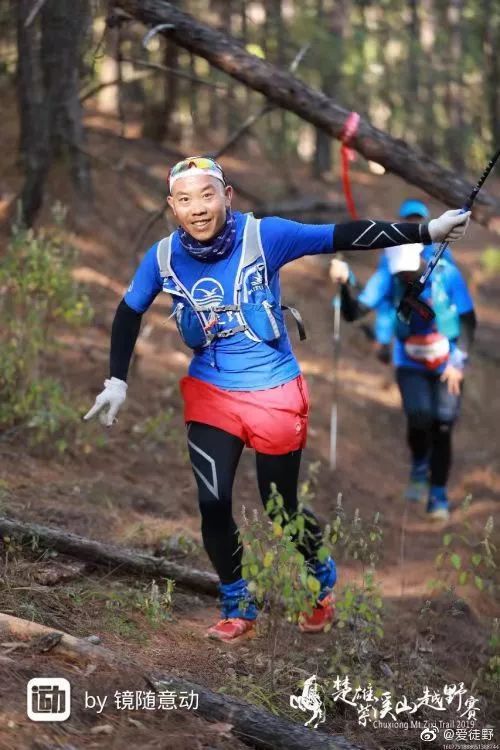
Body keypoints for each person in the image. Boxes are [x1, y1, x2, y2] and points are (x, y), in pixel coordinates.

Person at [84, 157, 470, 640]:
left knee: (279, 505)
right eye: (185, 200)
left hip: (274, 391)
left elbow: (340, 234)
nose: (197, 209)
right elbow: (128, 311)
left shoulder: (265, 236)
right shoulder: (162, 258)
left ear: (228, 197)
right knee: (213, 502)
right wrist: (116, 380)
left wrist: (427, 231)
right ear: (172, 207)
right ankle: (236, 604)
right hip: (211, 393)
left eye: (207, 195)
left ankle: (322, 577)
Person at [329, 199, 476, 520]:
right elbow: (355, 311)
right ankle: (419, 465)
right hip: (409, 360)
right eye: (400, 274)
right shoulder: (389, 275)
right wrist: (344, 285)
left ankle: (438, 494)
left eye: (410, 272)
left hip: (446, 360)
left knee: (444, 424)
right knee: (420, 416)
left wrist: (458, 362)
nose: (405, 278)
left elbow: (468, 320)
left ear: (422, 260)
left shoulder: (447, 273)